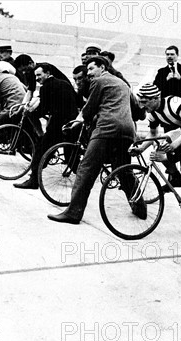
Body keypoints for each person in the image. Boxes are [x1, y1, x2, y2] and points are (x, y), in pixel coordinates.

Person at [47, 56, 145, 224]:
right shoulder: (123, 84)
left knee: (86, 169)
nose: (89, 73)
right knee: (123, 169)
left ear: (102, 67)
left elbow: (89, 109)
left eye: (91, 68)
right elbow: (138, 112)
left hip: (107, 128)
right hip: (128, 130)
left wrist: (75, 124)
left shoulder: (99, 81)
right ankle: (140, 207)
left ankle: (73, 212)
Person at [13, 64, 79, 189]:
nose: (37, 78)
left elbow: (43, 109)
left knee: (40, 152)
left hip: (57, 125)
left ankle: (33, 181)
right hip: (72, 124)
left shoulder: (46, 88)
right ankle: (84, 180)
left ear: (48, 73)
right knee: (71, 155)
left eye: (39, 75)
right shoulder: (65, 84)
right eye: (35, 76)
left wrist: (30, 112)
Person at [129, 83, 181, 192]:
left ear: (156, 99)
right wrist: (141, 149)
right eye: (140, 102)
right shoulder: (152, 113)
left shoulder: (173, 103)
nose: (142, 106)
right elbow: (153, 134)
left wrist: (174, 145)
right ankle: (175, 176)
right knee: (159, 142)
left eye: (144, 102)